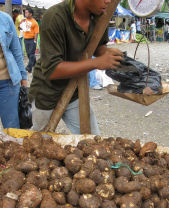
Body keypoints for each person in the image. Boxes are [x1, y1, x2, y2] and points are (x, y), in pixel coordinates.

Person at [29, 0, 123, 135]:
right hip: (46, 93)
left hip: (75, 91)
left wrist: (106, 53)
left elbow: (95, 46)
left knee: (92, 140)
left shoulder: (100, 16)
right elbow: (52, 70)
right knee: (40, 143)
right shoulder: (55, 17)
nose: (109, 1)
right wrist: (96, 63)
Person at [0, 11, 27, 129]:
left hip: (8, 83)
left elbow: (16, 51)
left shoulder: (5, 19)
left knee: (12, 128)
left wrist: (24, 78)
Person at [21, 7, 39, 73]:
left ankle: (29, 67)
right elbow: (20, 28)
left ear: (31, 14)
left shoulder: (34, 23)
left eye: (26, 12)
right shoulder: (24, 20)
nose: (25, 14)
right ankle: (35, 63)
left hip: (32, 40)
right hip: (25, 39)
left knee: (31, 54)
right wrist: (21, 22)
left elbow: (36, 33)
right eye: (25, 12)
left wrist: (35, 41)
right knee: (29, 54)